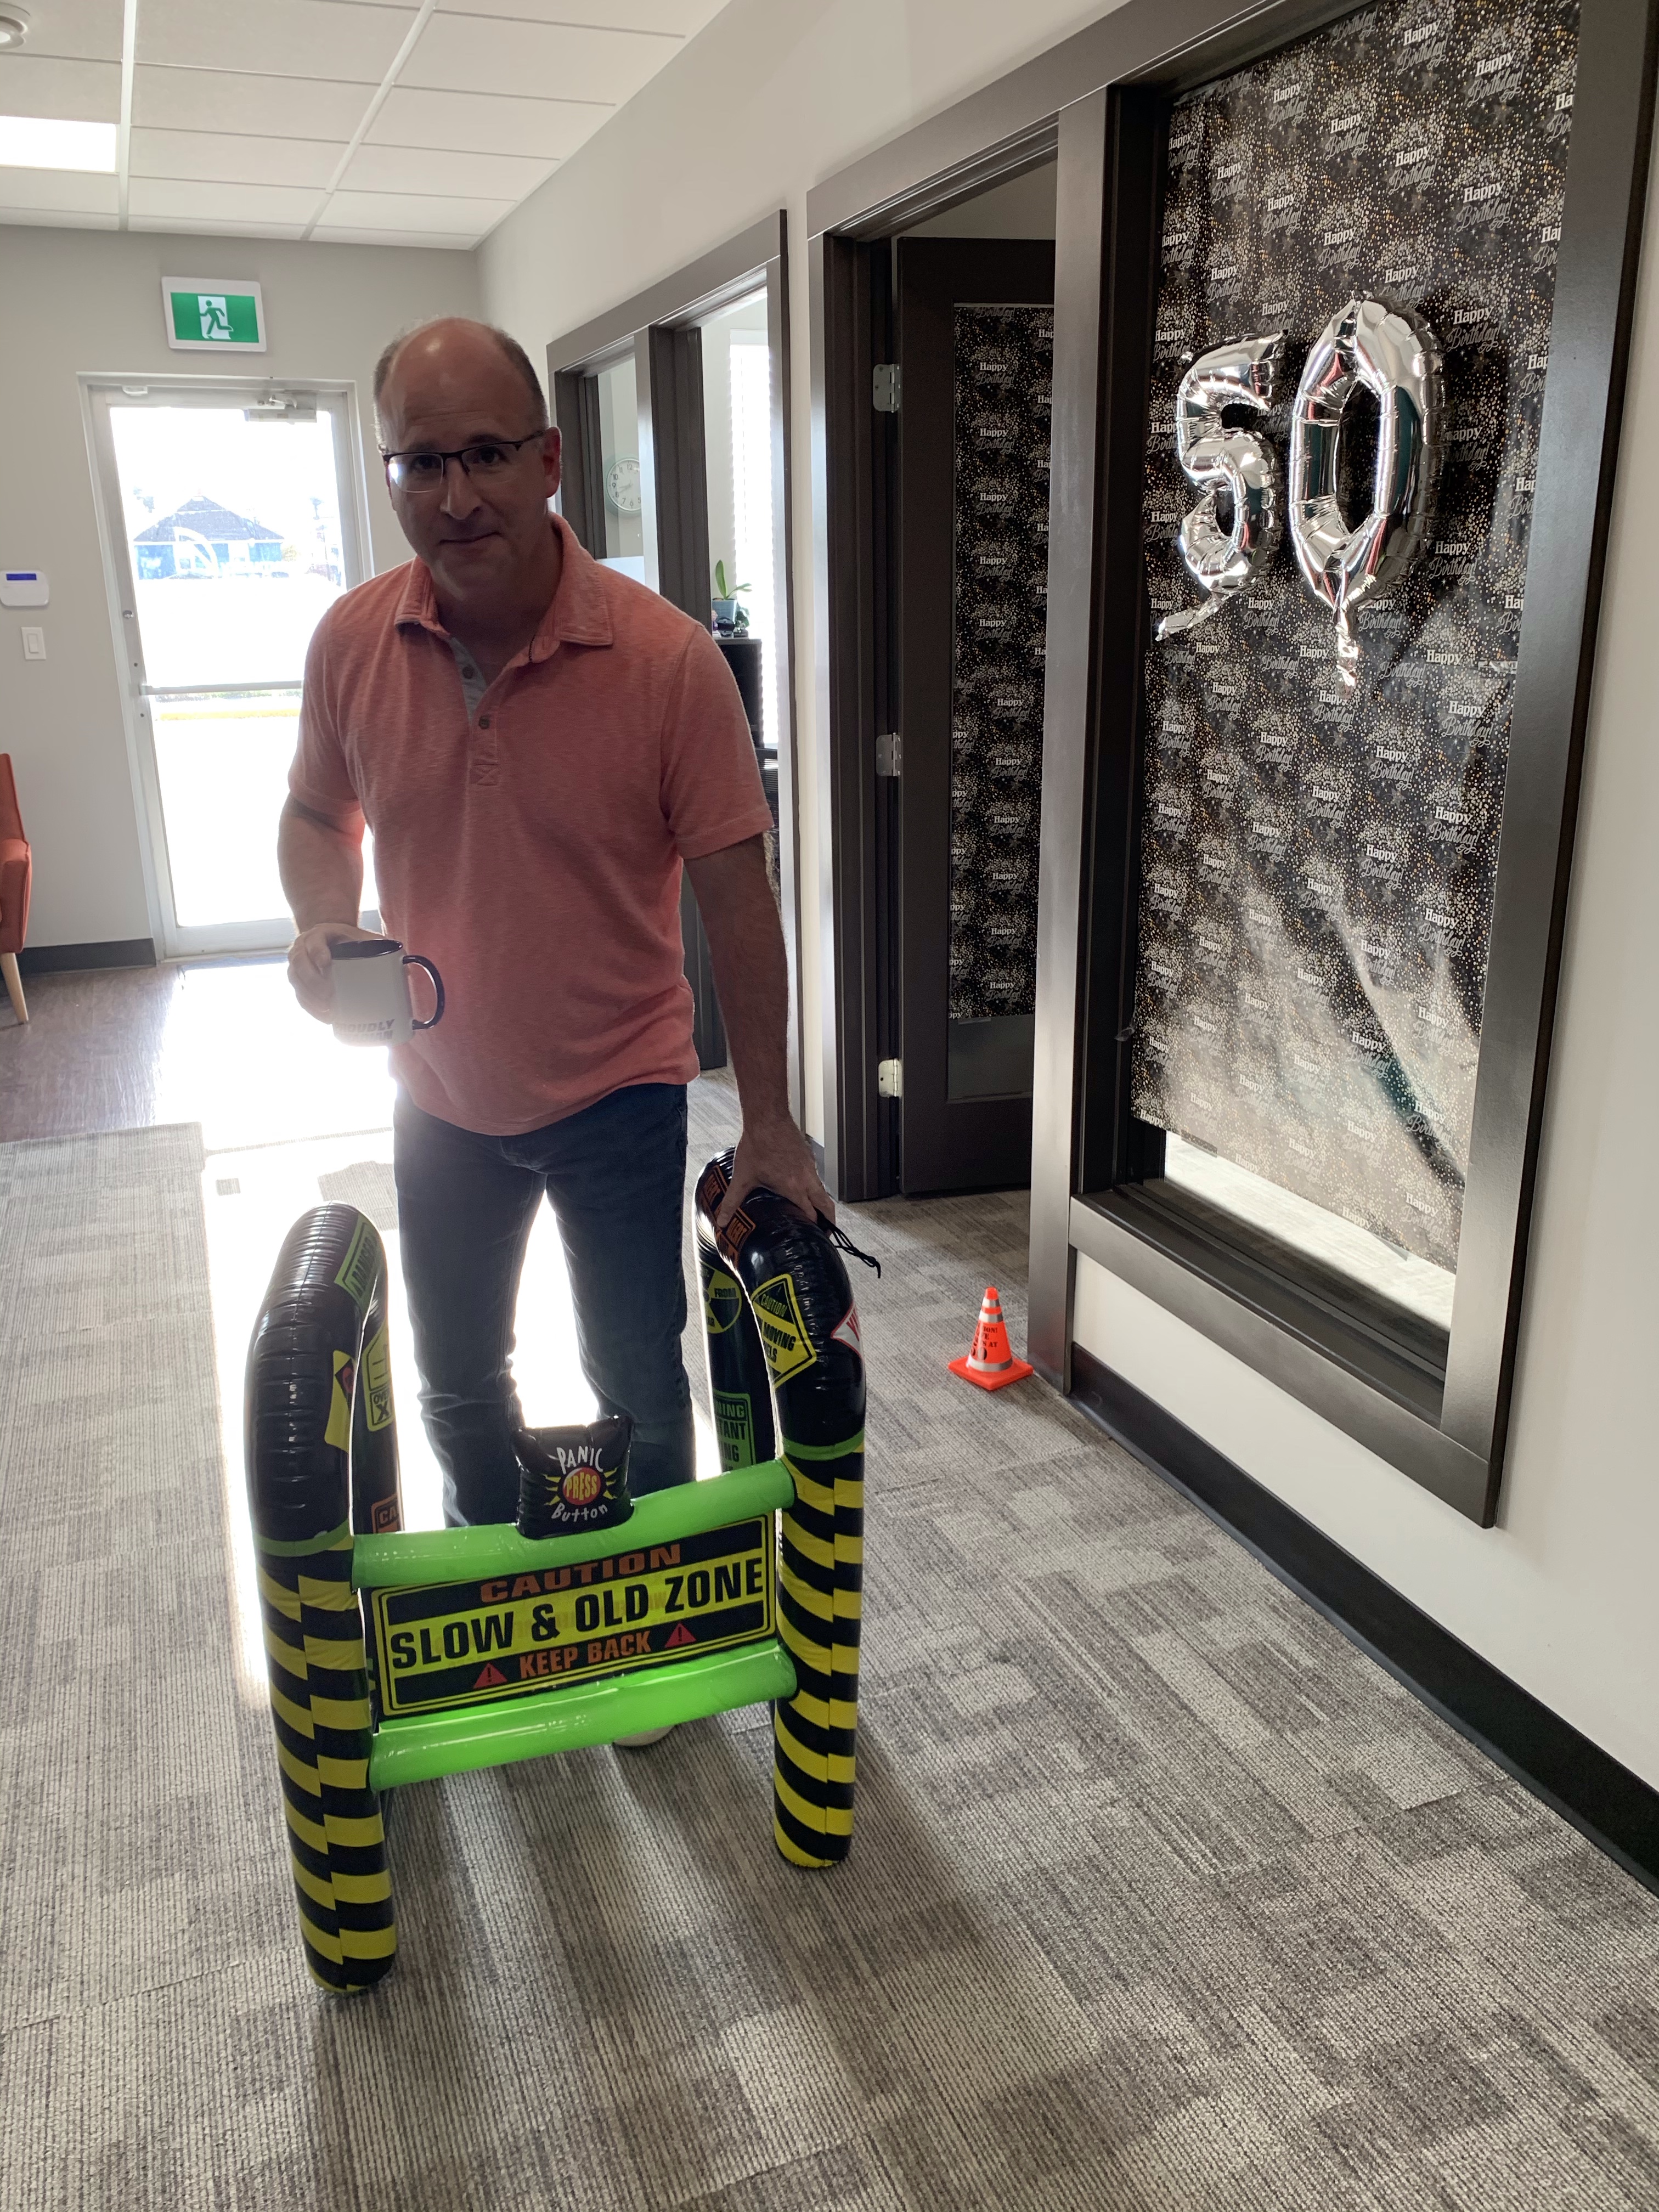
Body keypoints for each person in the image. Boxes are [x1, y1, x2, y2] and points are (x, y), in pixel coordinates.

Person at [279, 316, 830, 1537]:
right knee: (457, 1381)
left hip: (616, 1094)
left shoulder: (668, 663)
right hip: (436, 1091)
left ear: (548, 460)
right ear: (389, 473)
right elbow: (317, 811)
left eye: (487, 454)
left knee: (633, 1377)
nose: (457, 496)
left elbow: (739, 900)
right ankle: (495, 1576)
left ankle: (649, 1601)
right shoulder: (352, 644)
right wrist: (322, 921)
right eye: (423, 462)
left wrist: (773, 1123)